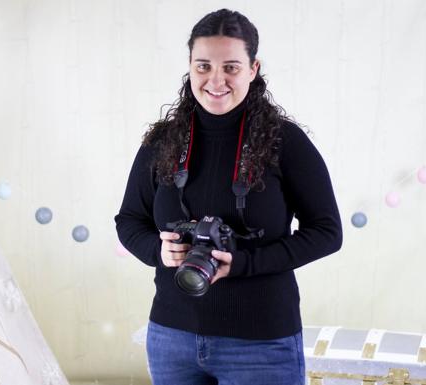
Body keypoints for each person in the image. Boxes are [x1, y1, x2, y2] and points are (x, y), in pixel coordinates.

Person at [114, 8, 342, 385]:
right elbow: (129, 221)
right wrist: (159, 252)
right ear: (189, 67)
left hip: (261, 343)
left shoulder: (285, 143)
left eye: (231, 67)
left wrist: (242, 263)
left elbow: (327, 232)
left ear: (253, 69)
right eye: (203, 66)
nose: (215, 80)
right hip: (172, 338)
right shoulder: (163, 142)